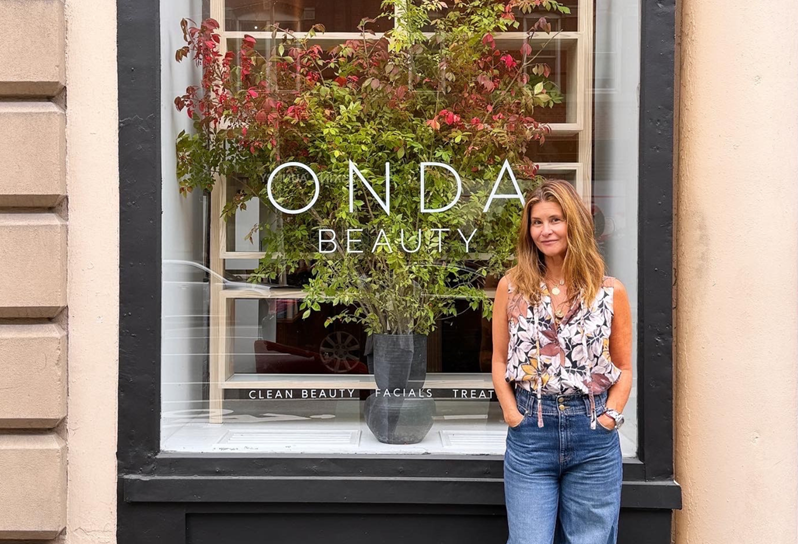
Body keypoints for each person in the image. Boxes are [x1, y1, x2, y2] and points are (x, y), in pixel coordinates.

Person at [491, 179, 633, 544]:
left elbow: (624, 367)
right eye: (537, 222)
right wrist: (511, 413)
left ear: (574, 224)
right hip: (531, 432)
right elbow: (499, 358)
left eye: (555, 220)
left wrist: (611, 416)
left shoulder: (609, 291)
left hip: (593, 432)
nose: (545, 231)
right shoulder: (512, 287)